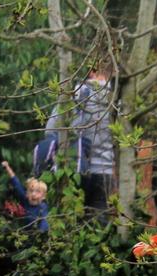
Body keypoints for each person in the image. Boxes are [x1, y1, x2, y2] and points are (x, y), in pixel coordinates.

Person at [71, 65, 116, 222]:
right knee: (99, 220)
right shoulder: (116, 99)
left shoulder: (77, 94)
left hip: (78, 167)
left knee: (72, 219)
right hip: (105, 168)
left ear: (91, 72)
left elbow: (52, 128)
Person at [1, 160, 49, 233]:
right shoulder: (25, 200)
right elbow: (16, 183)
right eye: (31, 191)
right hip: (21, 234)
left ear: (43, 196)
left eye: (37, 192)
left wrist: (40, 232)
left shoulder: (42, 207)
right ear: (27, 193)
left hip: (35, 235)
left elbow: (44, 221)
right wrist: (7, 168)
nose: (33, 194)